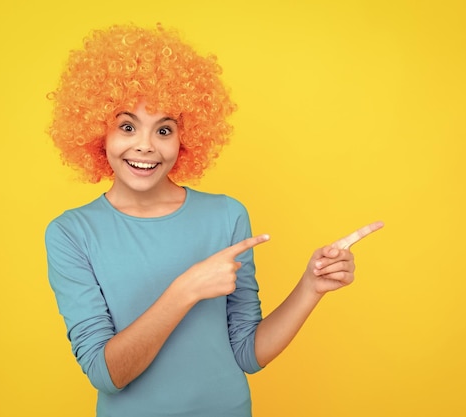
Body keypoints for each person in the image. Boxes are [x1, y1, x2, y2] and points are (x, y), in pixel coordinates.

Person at [45, 24, 383, 417]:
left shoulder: (226, 215)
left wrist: (310, 286)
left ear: (184, 138)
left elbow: (247, 353)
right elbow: (107, 374)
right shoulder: (72, 233)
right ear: (96, 132)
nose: (145, 145)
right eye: (127, 126)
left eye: (164, 129)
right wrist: (186, 290)